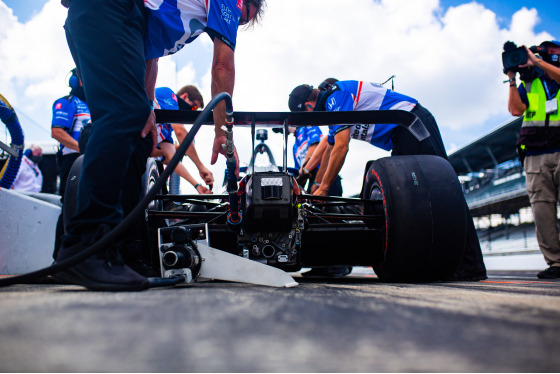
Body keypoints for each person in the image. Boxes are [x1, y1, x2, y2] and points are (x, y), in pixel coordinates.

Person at [55, 0, 267, 291]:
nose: (237, 24)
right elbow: (222, 64)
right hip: (106, 10)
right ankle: (87, 246)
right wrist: (223, 132)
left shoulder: (173, 18)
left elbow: (148, 58)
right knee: (120, 116)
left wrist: (146, 108)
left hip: (110, 18)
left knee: (139, 138)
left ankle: (126, 255)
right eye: (242, 18)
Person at [288, 80, 487, 281]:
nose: (312, 121)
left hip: (411, 124)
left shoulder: (334, 97)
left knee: (444, 192)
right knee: (407, 203)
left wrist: (324, 188)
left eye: (308, 118)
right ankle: (434, 260)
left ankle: (470, 265)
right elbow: (330, 149)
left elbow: (341, 147)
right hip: (399, 135)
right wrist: (316, 188)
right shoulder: (333, 110)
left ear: (309, 106)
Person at [506, 41, 560, 279]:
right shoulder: (529, 83)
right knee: (542, 211)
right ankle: (556, 263)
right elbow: (516, 110)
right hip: (535, 153)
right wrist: (511, 78)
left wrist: (538, 62)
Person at [51, 68, 91, 260]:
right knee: (70, 206)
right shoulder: (67, 102)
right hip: (73, 161)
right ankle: (59, 259)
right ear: (77, 81)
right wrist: (83, 149)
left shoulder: (94, 105)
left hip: (92, 161)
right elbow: (57, 132)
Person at [153, 86, 213, 194]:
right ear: (185, 96)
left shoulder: (165, 131)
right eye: (194, 107)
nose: (192, 111)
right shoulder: (169, 95)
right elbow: (180, 131)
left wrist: (197, 185)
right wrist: (201, 167)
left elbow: (173, 160)